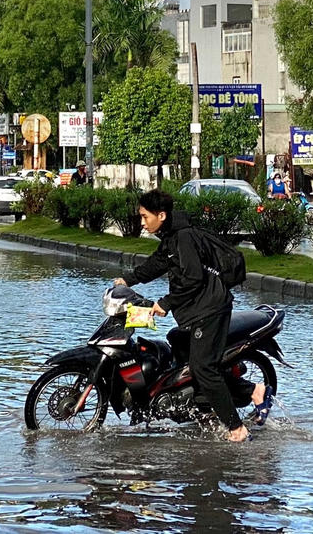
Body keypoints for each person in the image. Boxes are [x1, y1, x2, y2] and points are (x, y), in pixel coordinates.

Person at [114, 190, 271, 443]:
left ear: (161, 215)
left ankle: (237, 427)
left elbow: (194, 279)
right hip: (198, 310)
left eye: (144, 216)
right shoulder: (171, 237)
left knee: (203, 369)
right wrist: (127, 280)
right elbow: (157, 263)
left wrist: (166, 303)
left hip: (210, 310)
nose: (142, 222)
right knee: (179, 346)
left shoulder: (183, 238)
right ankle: (237, 396)